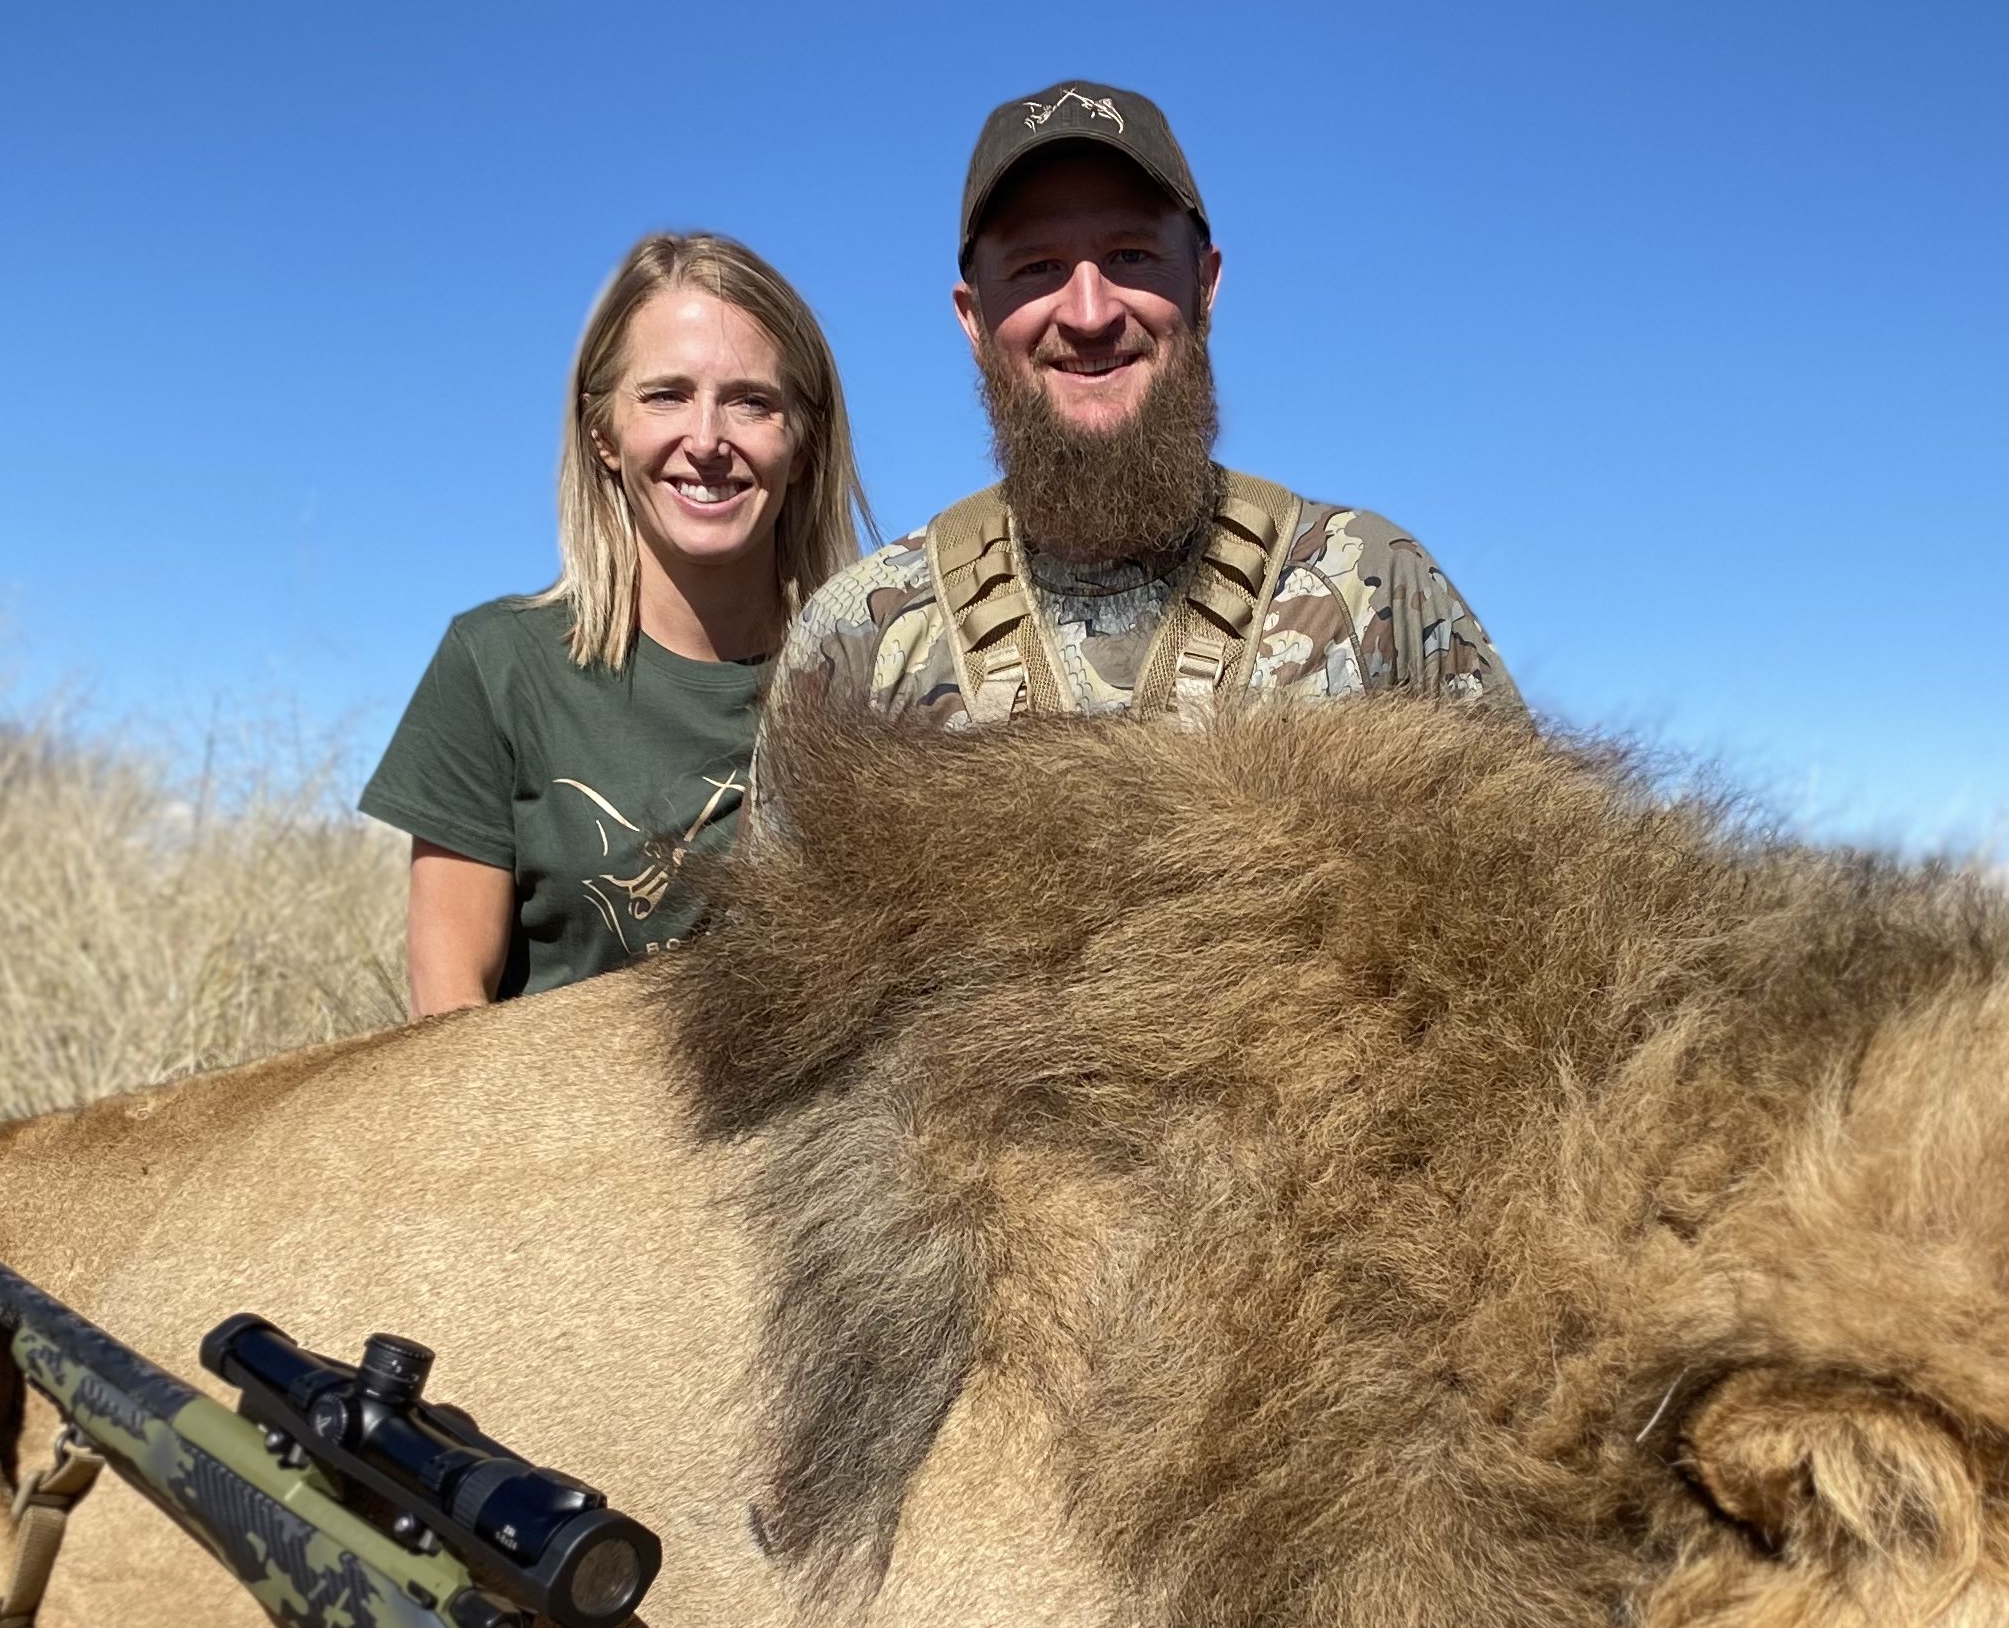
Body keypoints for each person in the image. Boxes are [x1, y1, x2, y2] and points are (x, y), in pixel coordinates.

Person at [761, 79, 1520, 739]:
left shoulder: (1369, 586)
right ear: (972, 318)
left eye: (1130, 255)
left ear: (1206, 283)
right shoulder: (858, 638)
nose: (1089, 312)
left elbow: (1537, 888)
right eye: (1036, 267)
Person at [364, 233, 870, 1009]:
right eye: (666, 394)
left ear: (801, 444)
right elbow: (448, 1011)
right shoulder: (497, 666)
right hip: (546, 1127)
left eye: (751, 401)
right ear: (603, 433)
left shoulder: (876, 677)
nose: (706, 441)